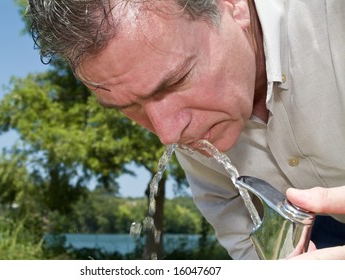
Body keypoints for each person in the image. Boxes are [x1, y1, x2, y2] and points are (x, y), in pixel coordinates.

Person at [26, 0, 345, 259]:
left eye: (176, 81)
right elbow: (246, 243)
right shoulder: (191, 122)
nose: (168, 134)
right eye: (129, 107)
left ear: (232, 6)